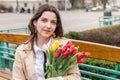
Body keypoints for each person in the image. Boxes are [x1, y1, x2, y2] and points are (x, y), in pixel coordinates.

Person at [12, 4, 81, 80]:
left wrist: (57, 79)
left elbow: (76, 77)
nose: (48, 26)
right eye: (44, 20)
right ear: (35, 22)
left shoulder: (65, 46)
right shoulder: (22, 51)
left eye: (53, 22)